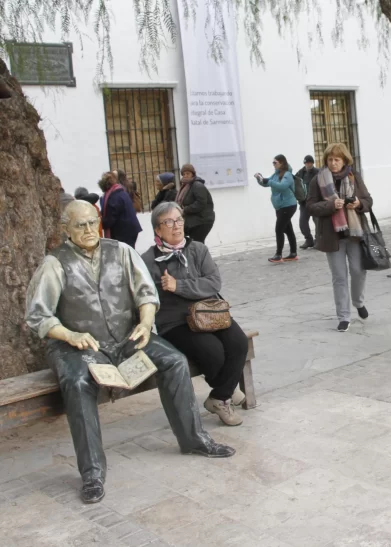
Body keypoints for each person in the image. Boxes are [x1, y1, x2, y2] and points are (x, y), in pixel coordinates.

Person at [25, 200, 235, 504]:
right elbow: (39, 316)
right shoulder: (54, 263)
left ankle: (194, 439)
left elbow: (146, 292)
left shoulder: (121, 251)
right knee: (78, 383)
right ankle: (92, 471)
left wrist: (147, 322)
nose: (87, 229)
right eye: (79, 225)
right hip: (78, 344)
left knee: (174, 361)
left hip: (128, 335)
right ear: (65, 229)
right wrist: (70, 335)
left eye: (91, 221)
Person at [141, 202, 248, 426]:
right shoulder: (148, 261)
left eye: (179, 219)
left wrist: (178, 286)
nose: (176, 225)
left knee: (238, 342)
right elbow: (146, 297)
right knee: (213, 351)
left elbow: (213, 282)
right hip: (175, 322)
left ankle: (220, 396)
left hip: (209, 313)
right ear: (158, 230)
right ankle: (227, 391)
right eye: (168, 222)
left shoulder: (198, 249)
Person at [307, 143, 372, 332]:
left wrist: (359, 204)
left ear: (344, 160)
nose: (333, 163)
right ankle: (343, 316)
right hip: (331, 235)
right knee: (339, 277)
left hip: (355, 233)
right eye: (330, 159)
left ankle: (358, 302)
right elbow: (310, 206)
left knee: (358, 271)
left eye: (337, 159)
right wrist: (331, 206)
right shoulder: (317, 180)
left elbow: (368, 200)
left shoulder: (354, 177)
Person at [254, 154, 298, 263]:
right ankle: (293, 253)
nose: (273, 165)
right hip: (280, 206)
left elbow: (282, 186)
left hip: (288, 205)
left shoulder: (287, 174)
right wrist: (259, 179)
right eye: (273, 163)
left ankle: (278, 255)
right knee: (288, 229)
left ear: (282, 163)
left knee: (279, 229)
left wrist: (267, 181)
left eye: (275, 163)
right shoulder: (276, 174)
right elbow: (267, 183)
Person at [98, 171, 143, 248]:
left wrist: (99, 222)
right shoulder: (120, 191)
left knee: (125, 255)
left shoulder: (113, 197)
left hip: (123, 232)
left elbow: (110, 219)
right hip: (129, 230)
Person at [176, 163, 215, 244]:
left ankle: (202, 256)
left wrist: (185, 210)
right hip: (194, 221)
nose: (186, 175)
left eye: (188, 173)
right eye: (184, 174)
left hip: (202, 221)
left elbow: (201, 203)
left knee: (198, 244)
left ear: (192, 174)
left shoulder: (197, 185)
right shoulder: (186, 186)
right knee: (193, 244)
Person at [295, 155, 319, 249]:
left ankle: (318, 240)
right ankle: (308, 239)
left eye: (309, 163)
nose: (307, 164)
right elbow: (296, 184)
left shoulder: (318, 172)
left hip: (315, 201)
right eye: (306, 163)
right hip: (304, 202)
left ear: (312, 163)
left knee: (317, 221)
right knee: (302, 222)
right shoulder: (300, 172)